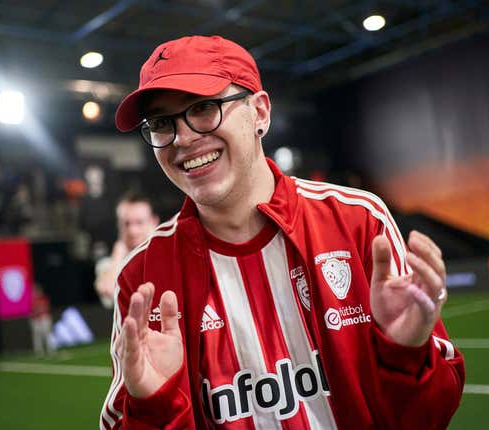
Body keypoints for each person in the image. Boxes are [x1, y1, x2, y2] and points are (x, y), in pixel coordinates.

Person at [100, 35, 465, 430]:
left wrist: (406, 354)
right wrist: (155, 406)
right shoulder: (141, 276)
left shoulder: (357, 220)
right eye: (160, 123)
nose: (183, 138)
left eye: (204, 108)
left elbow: (428, 418)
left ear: (259, 112)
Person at [94, 192, 159, 308]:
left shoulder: (170, 257)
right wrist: (119, 251)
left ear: (153, 222)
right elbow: (108, 292)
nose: (132, 231)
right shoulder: (106, 265)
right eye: (126, 224)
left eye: (139, 222)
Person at [30, 284, 54, 356]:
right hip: (36, 320)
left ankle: (51, 350)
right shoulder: (31, 301)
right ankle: (39, 352)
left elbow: (46, 308)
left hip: (44, 318)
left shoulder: (43, 299)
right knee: (37, 337)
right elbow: (31, 311)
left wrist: (38, 312)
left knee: (47, 334)